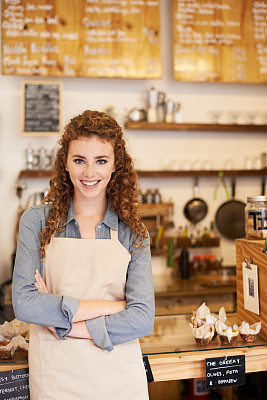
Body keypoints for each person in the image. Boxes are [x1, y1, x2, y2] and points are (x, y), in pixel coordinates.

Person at [12, 110, 155, 400]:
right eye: (80, 160)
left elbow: (142, 319)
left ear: (116, 165)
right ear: (65, 163)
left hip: (119, 379)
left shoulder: (133, 232)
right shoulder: (37, 221)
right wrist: (112, 306)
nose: (90, 173)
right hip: (56, 378)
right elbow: (25, 304)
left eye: (101, 161)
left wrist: (63, 325)